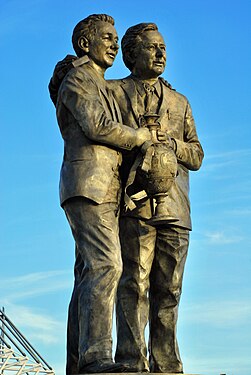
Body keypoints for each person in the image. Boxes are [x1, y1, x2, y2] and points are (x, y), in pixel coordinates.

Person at [49, 14, 151, 374]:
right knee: (107, 265)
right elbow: (97, 126)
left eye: (115, 38)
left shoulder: (98, 82)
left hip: (102, 188)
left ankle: (78, 362)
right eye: (106, 37)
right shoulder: (79, 79)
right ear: (84, 44)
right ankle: (95, 357)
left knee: (87, 274)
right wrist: (137, 137)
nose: (113, 44)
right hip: (87, 185)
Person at [108, 23, 204, 373]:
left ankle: (167, 364)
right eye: (152, 48)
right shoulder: (113, 93)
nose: (161, 53)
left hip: (176, 209)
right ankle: (133, 361)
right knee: (134, 284)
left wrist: (172, 145)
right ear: (131, 54)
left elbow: (197, 155)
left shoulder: (180, 102)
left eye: (163, 47)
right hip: (134, 205)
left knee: (170, 289)